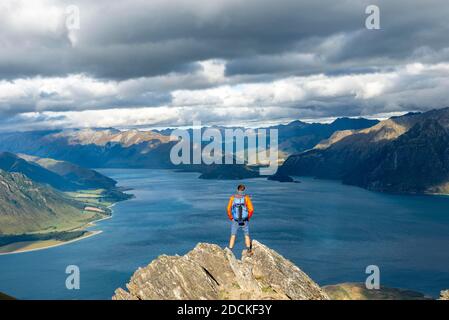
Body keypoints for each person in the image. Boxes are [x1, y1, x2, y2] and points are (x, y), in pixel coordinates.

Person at [227, 184, 254, 255]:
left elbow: (228, 209)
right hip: (244, 219)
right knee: (246, 235)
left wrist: (231, 217)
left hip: (235, 219)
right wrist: (248, 217)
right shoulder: (246, 198)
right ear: (244, 190)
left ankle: (229, 250)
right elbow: (251, 209)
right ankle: (248, 250)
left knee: (233, 235)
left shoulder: (232, 198)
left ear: (237, 190)